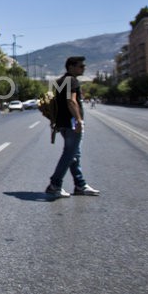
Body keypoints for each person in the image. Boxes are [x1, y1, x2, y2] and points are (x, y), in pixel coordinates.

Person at [45, 56, 100, 198]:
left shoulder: (59, 81)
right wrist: (79, 121)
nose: (84, 68)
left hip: (62, 123)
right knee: (69, 154)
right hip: (71, 124)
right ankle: (55, 184)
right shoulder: (72, 81)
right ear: (71, 67)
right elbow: (71, 101)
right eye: (81, 66)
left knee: (74, 155)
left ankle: (80, 185)